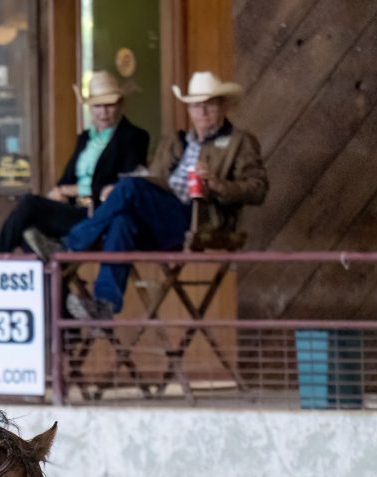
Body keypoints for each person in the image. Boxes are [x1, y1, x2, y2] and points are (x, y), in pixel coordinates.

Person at [25, 71, 268, 319]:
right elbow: (154, 177)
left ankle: (69, 246)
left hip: (199, 219)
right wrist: (123, 190)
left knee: (131, 188)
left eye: (210, 105)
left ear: (224, 106)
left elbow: (257, 189)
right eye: (196, 105)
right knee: (122, 220)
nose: (202, 112)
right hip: (162, 216)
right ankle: (104, 305)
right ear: (189, 109)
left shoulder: (240, 142)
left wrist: (217, 185)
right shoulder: (176, 141)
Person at [0, 71, 149, 254]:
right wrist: (59, 193)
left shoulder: (134, 137)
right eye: (97, 106)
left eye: (109, 105)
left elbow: (126, 185)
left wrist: (71, 190)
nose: (103, 112)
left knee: (29, 205)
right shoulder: (85, 138)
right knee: (28, 225)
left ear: (120, 105)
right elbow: (66, 179)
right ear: (90, 108)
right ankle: (56, 281)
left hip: (101, 214)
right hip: (73, 210)